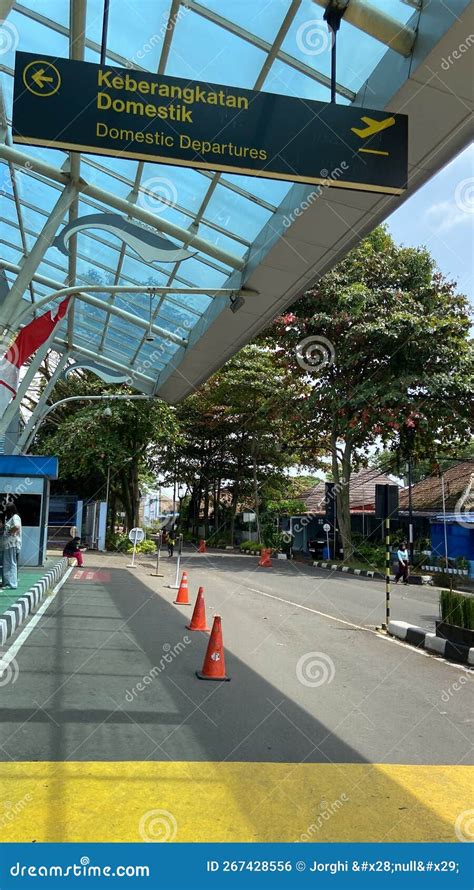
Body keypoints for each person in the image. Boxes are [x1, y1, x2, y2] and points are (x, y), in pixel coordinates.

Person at [2, 503, 22, 589]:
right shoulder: (12, 518)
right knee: (7, 563)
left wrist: (10, 531)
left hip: (12, 543)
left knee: (11, 563)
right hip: (9, 544)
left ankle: (12, 583)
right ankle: (7, 582)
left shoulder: (15, 517)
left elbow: (17, 526)